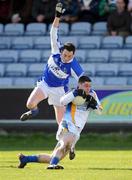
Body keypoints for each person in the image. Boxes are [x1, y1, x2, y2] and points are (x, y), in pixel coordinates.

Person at [18, 75, 103, 169]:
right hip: (67, 124)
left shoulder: (93, 94)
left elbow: (99, 112)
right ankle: (54, 164)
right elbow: (62, 101)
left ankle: (26, 159)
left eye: (89, 86)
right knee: (66, 143)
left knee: (55, 156)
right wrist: (74, 94)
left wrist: (94, 104)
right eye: (86, 85)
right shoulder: (73, 92)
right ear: (79, 85)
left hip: (77, 130)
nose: (88, 88)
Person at [20, 3, 84, 125]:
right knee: (30, 104)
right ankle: (33, 112)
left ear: (73, 55)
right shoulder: (56, 50)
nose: (66, 58)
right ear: (61, 51)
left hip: (59, 91)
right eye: (65, 55)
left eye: (70, 56)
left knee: (60, 123)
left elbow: (82, 79)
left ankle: (65, 143)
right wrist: (57, 16)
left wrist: (82, 91)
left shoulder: (74, 66)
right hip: (45, 84)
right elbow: (53, 32)